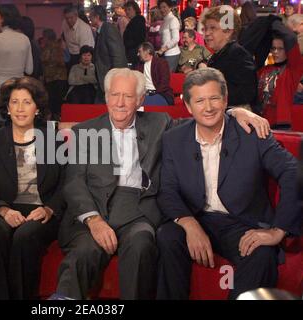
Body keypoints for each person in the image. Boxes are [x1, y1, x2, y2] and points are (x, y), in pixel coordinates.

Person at [55, 67, 271, 300]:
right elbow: (73, 182)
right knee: (85, 251)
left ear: (140, 100)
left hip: (138, 211)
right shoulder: (84, 132)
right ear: (106, 97)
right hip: (94, 208)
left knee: (141, 244)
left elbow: (204, 116)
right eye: (114, 95)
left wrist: (236, 112)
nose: (120, 103)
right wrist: (94, 220)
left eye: (128, 96)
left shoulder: (160, 123)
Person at [156, 67, 300, 300]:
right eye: (200, 100)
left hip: (241, 222)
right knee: (167, 235)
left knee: (263, 254)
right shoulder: (174, 138)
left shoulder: (251, 132)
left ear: (225, 100)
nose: (209, 107)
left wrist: (278, 231)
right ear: (188, 106)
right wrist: (190, 224)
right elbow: (168, 190)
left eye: (214, 98)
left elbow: (293, 171)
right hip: (197, 216)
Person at [0, 77, 65, 300]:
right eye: (14, 102)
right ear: (7, 108)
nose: (20, 108)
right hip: (5, 209)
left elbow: (65, 184)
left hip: (41, 211)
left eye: (27, 102)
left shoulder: (52, 139)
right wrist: (3, 211)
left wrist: (48, 209)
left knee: (25, 236)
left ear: (37, 108)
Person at [201, 5, 257, 110]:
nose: (207, 33)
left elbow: (247, 93)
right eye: (205, 29)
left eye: (213, 28)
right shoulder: (218, 55)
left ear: (228, 32)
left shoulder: (239, 55)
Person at [0, 4, 33, 122]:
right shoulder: (24, 39)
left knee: (1, 127)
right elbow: (29, 70)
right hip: (20, 88)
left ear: (3, 18)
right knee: (17, 125)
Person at [257, 33, 303, 129]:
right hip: (263, 121)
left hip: (283, 123)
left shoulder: (292, 70)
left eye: (280, 49)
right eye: (273, 48)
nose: (275, 52)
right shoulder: (264, 70)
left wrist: (274, 22)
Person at [89, 5, 127, 103]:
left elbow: (118, 55)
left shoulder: (109, 29)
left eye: (91, 16)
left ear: (97, 17)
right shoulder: (101, 30)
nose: (89, 18)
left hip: (111, 79)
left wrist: (116, 78)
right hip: (104, 79)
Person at [40, 28, 68, 120]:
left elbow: (45, 60)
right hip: (59, 78)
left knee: (53, 104)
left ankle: (53, 127)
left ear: (47, 37)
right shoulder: (59, 46)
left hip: (53, 79)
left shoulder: (51, 48)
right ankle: (57, 125)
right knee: (57, 104)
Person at [61, 5, 95, 71]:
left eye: (71, 18)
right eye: (66, 18)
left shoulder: (84, 29)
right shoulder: (64, 23)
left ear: (76, 15)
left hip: (81, 56)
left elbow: (86, 52)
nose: (68, 20)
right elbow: (63, 35)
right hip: (69, 54)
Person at [157, 0, 181, 72]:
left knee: (168, 78)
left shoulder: (173, 19)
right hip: (164, 54)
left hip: (172, 54)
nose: (162, 9)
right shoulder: (164, 20)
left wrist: (163, 49)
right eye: (160, 7)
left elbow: (176, 39)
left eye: (164, 7)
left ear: (170, 7)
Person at [123, 1, 146, 67]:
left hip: (134, 52)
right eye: (126, 10)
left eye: (129, 9)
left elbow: (139, 38)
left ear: (135, 9)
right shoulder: (134, 21)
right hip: (133, 51)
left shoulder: (138, 20)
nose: (127, 12)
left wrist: (127, 44)